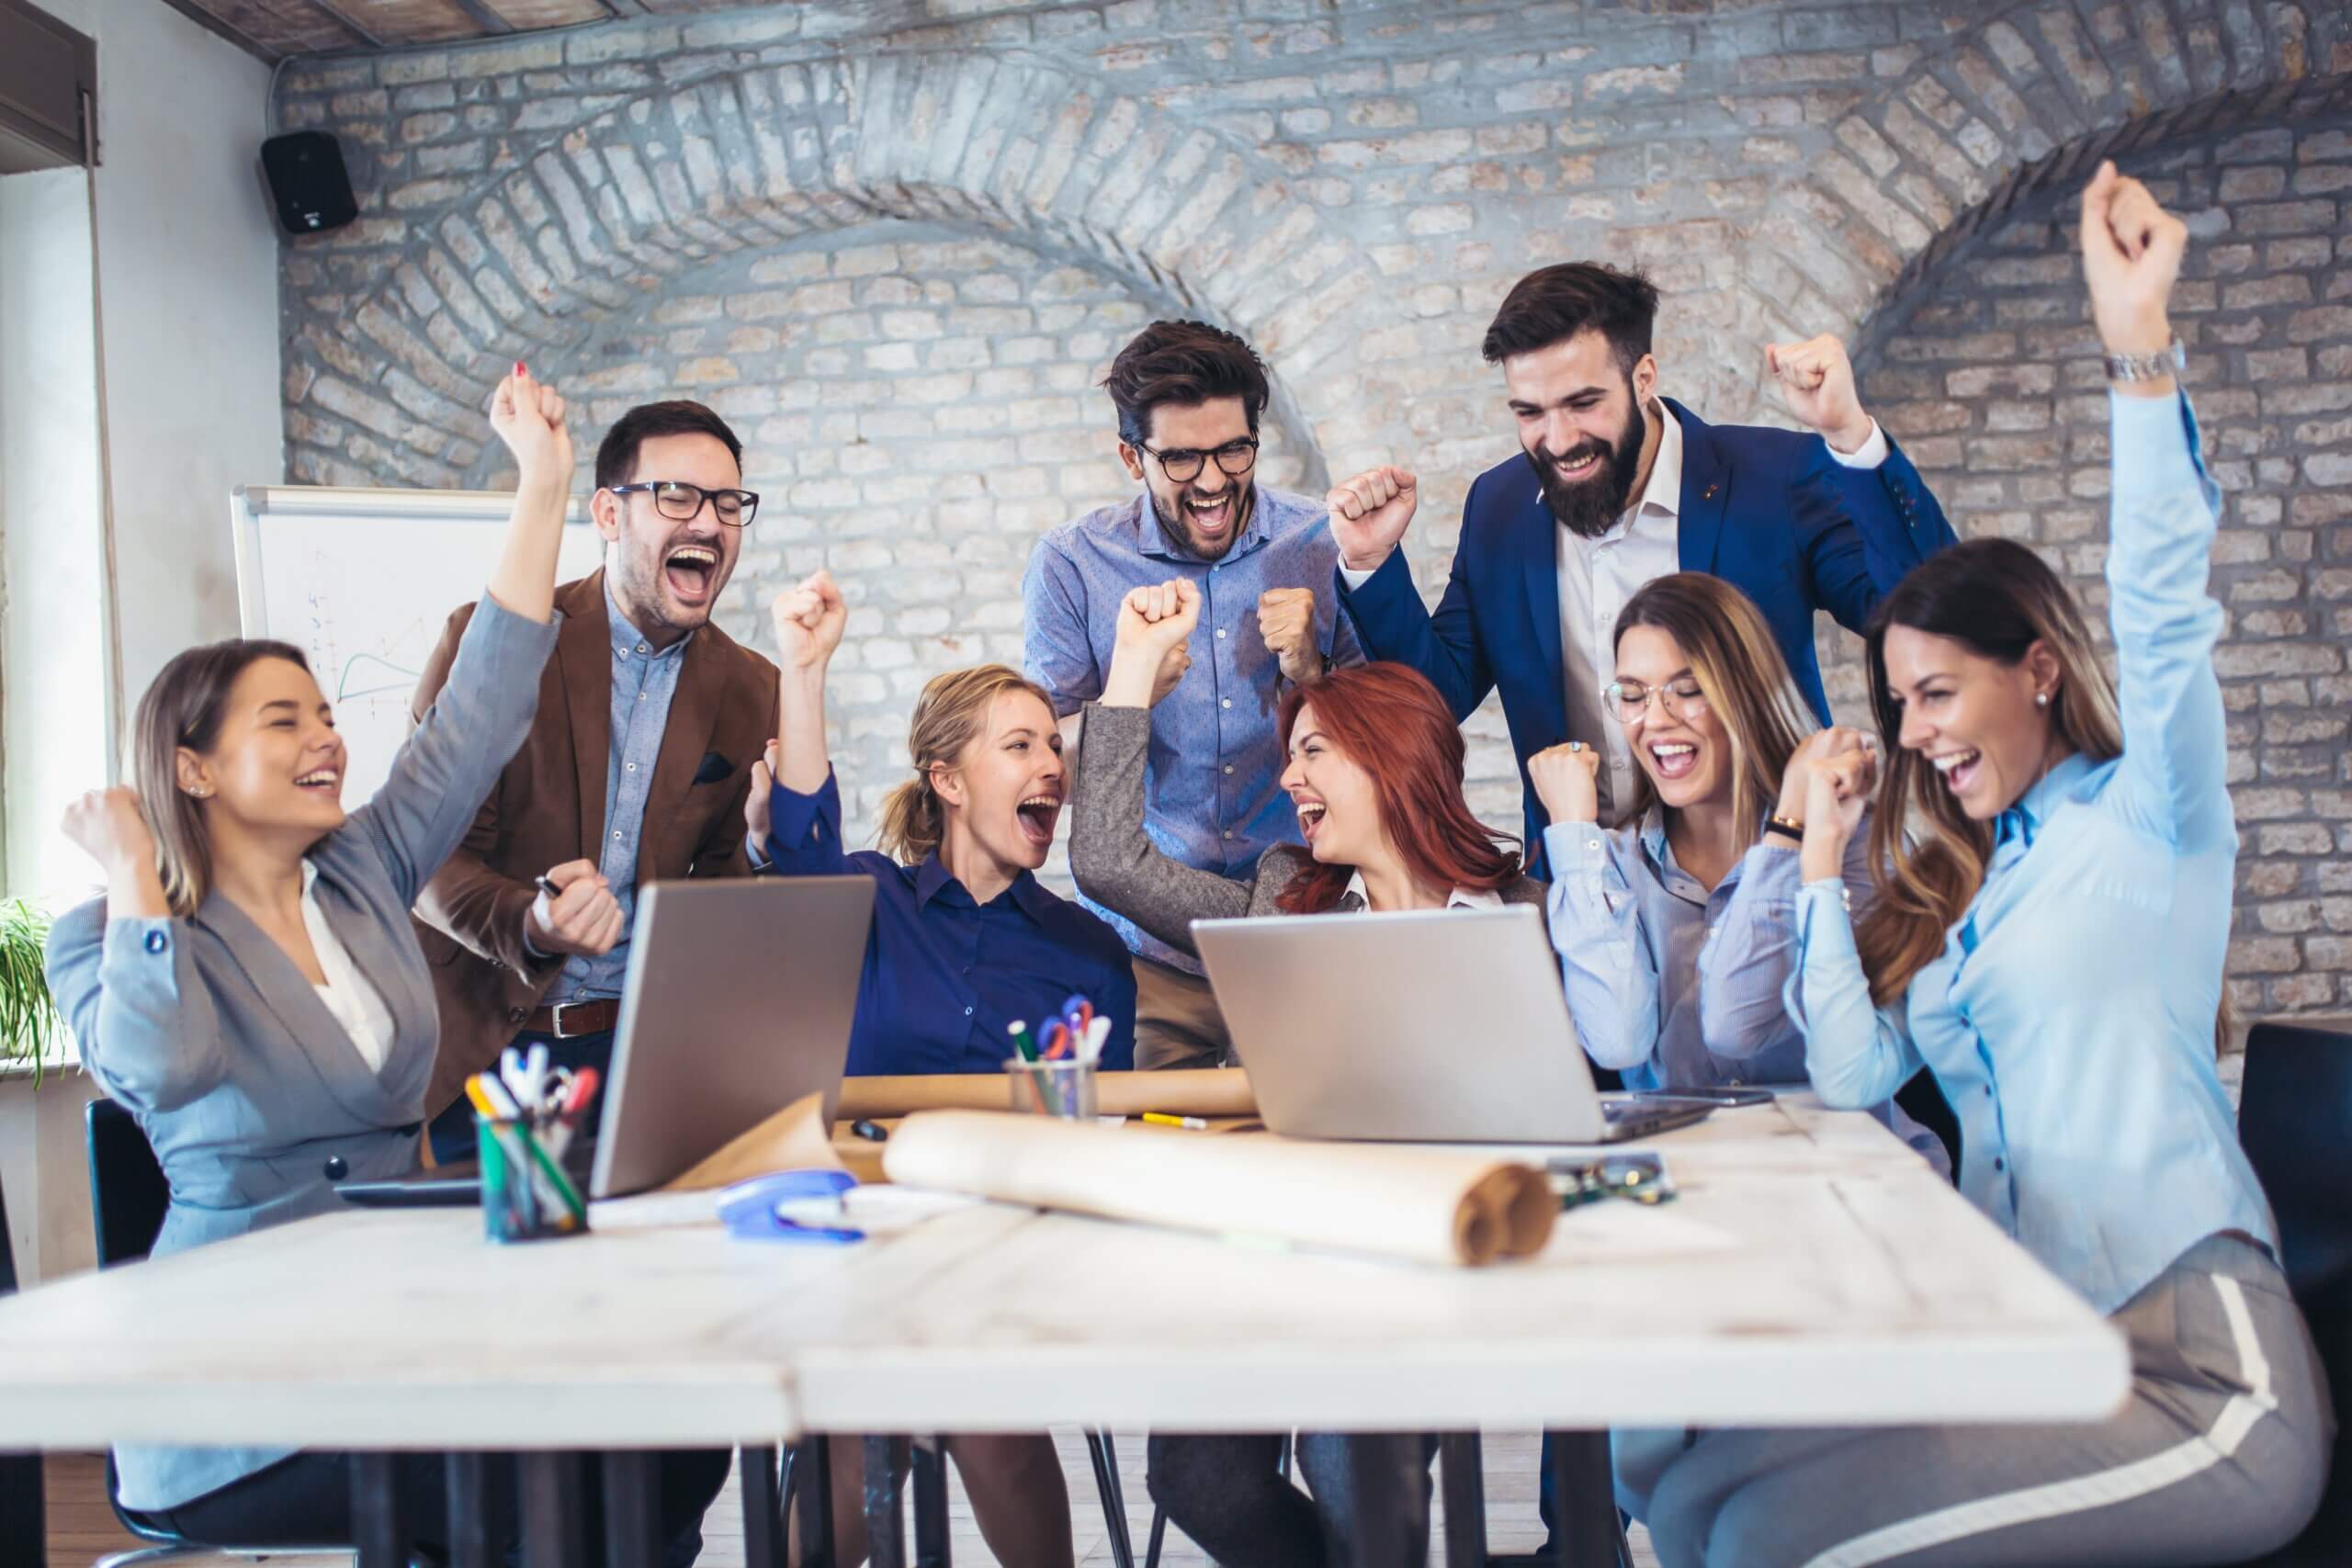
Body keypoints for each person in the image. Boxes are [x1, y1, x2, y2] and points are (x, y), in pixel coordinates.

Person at [1634, 165, 2335, 1568]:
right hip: (2043, 1351)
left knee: (1777, 1537)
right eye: (1898, 702)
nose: (1914, 732)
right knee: (1684, 1474)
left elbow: (2162, 598)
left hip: (2202, 1373)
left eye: (1940, 693)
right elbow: (1844, 1074)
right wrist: (1822, 857)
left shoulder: (2156, 821)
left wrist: (2140, 349)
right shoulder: (1976, 886)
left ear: (2039, 667)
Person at [45, 368, 728, 1562]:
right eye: (285, 721)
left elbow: (480, 705)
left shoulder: (362, 869)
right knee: (547, 1478)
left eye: (324, 714)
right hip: (234, 1384)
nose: (327, 739)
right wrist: (135, 883)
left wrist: (544, 484)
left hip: (402, 1321)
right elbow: (164, 1062)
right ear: (194, 767)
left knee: (672, 1438)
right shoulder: (111, 929)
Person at [1068, 577, 1543, 1568]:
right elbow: (1110, 862)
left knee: (1347, 1463)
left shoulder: (1520, 913)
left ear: (1391, 757)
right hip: (1275, 1257)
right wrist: (1127, 681)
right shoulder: (1285, 900)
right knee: (1192, 1475)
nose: (1289, 779)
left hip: (1428, 1267)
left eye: (1311, 752)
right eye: (1289, 758)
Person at [748, 567, 1136, 1567]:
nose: (1050, 763)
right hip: (857, 1242)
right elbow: (798, 849)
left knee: (983, 1414)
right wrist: (804, 669)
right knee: (851, 1431)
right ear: (949, 780)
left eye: (1053, 744)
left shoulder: (1091, 955)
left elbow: (1108, 1129)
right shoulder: (867, 901)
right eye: (1020, 745)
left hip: (1007, 1253)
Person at [1329, 265, 1956, 861]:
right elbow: (1438, 695)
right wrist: (1371, 560)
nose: (1558, 438)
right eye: (1531, 412)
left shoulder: (1773, 478)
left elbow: (1922, 617)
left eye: (1583, 403)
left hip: (1768, 862)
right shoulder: (1499, 507)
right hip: (1581, 887)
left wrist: (1851, 437)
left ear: (1645, 377)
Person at [412, 398, 780, 1162]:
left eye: (728, 503)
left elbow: (718, 883)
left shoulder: (752, 687)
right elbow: (426, 859)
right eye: (676, 496)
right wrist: (533, 922)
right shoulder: (494, 646)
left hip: (643, 1068)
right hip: (484, 1066)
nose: (708, 523)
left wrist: (764, 850)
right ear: (609, 513)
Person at [1024, 320, 1364, 1070]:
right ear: (1131, 456)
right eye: (1180, 457)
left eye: (1233, 449)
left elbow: (1383, 755)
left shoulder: (1318, 543)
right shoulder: (1071, 565)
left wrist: (1313, 672)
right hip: (1148, 956)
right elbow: (1047, 775)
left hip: (1299, 932)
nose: (1212, 481)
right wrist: (1129, 694)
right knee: (1153, 1167)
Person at [1527, 570, 1947, 1167]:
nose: (1656, 718)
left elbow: (1735, 1020)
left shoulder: (1850, 839)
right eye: (1633, 693)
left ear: (1744, 690)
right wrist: (1573, 831)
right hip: (1697, 1183)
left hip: (1848, 1175)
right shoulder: (1609, 863)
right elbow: (1617, 1039)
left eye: (1687, 688)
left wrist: (1790, 830)